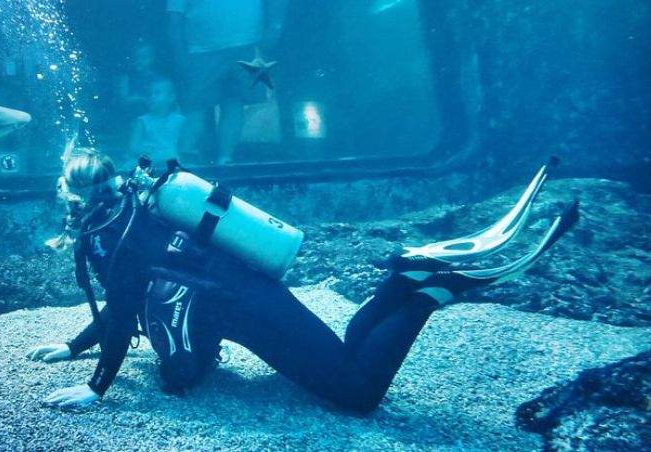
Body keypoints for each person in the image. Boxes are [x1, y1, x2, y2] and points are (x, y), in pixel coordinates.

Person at [30, 153, 578, 411]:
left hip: (240, 305)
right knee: (343, 361)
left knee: (358, 393)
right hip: (248, 289)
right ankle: (404, 280)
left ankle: (426, 294)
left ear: (69, 196)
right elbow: (125, 303)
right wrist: (75, 344)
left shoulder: (107, 237)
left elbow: (124, 307)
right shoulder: (140, 210)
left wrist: (96, 386)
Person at [167, 0, 287, 165]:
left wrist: (276, 26)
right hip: (200, 51)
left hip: (247, 45)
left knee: (234, 102)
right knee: (195, 108)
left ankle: (225, 158)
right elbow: (174, 14)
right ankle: (184, 160)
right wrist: (179, 53)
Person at [127, 78, 186, 168]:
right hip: (147, 165)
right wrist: (146, 150)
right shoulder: (142, 121)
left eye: (157, 93)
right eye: (149, 94)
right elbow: (133, 148)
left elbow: (185, 146)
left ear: (171, 98)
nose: (152, 97)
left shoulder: (180, 121)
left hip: (172, 165)